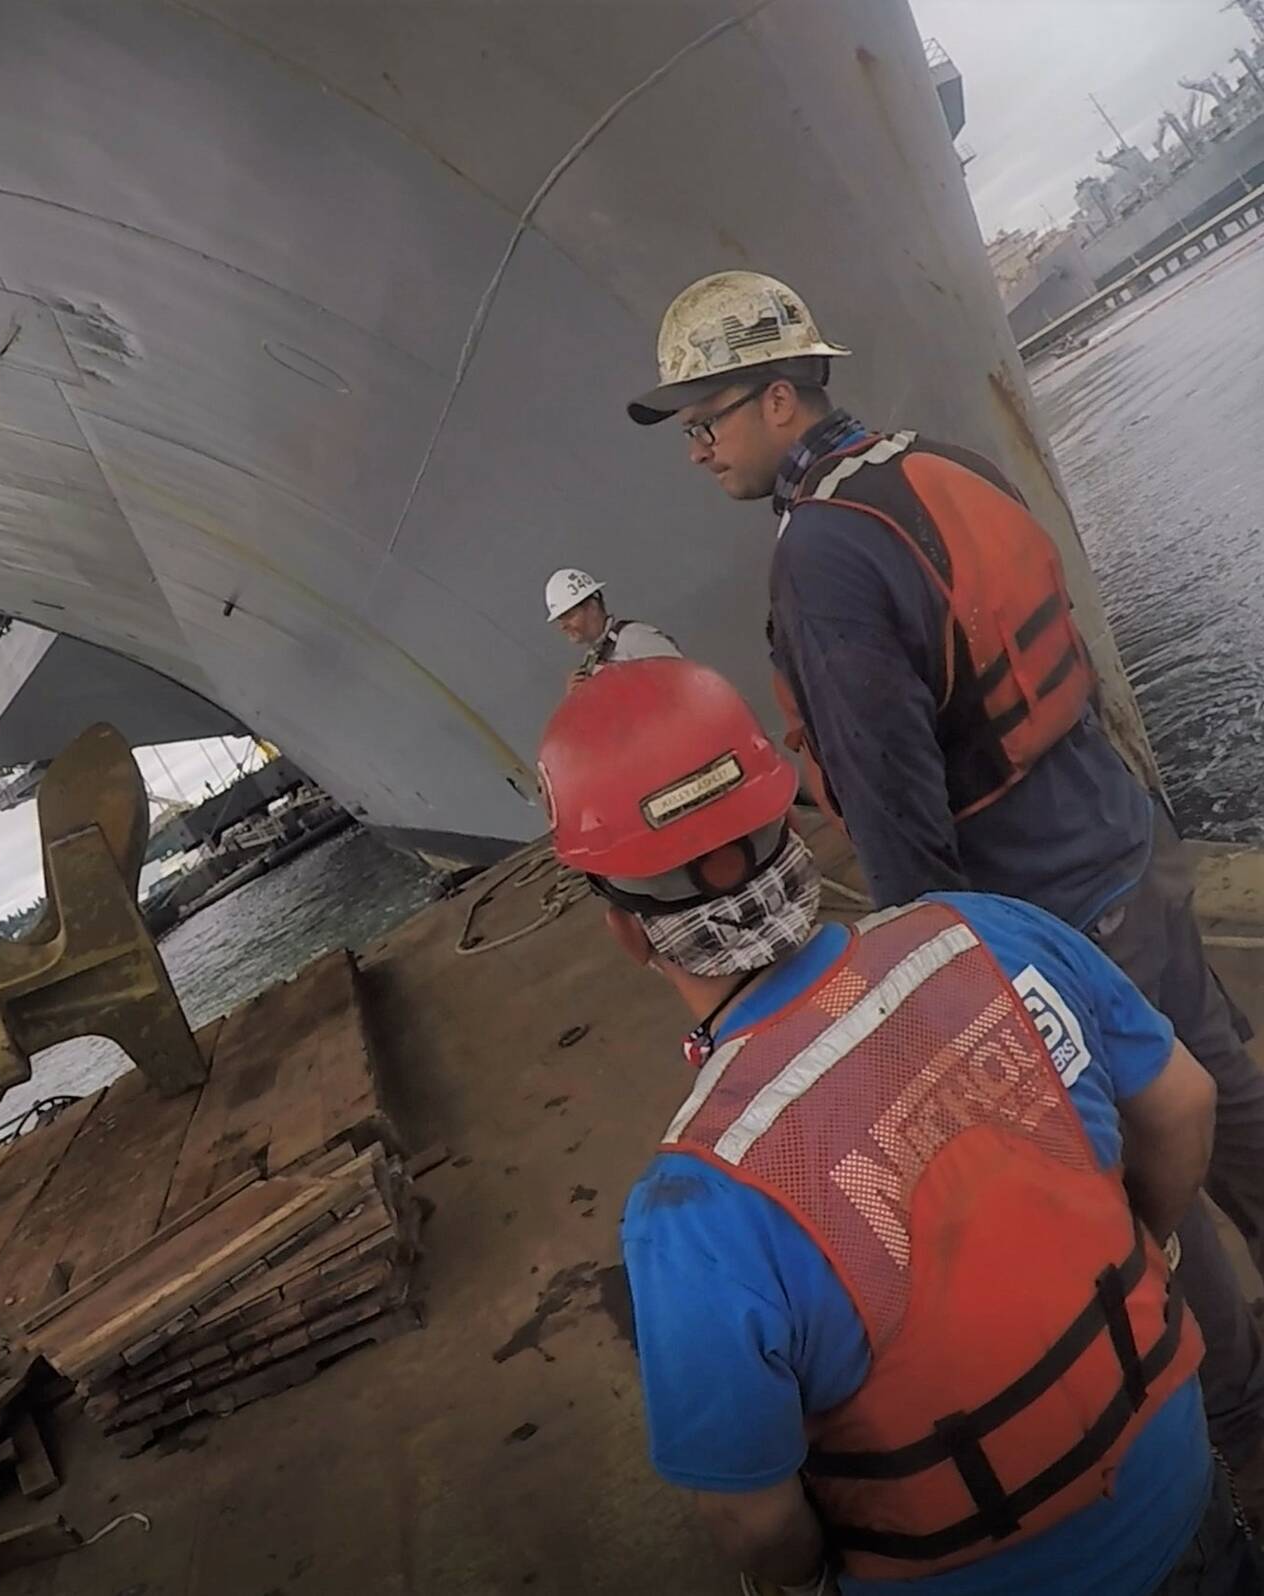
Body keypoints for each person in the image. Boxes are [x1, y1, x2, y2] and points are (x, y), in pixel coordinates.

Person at [626, 267, 1264, 1494]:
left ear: (775, 399)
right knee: (1223, 1097)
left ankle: (1234, 1414)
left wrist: (922, 985)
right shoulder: (942, 463)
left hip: (1048, 916)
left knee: (1152, 1189)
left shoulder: (819, 557)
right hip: (1122, 842)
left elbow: (891, 796)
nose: (694, 445)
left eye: (704, 416)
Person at [536, 657, 1256, 1596]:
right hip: (1183, 1497)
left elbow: (753, 1521)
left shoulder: (695, 1204)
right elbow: (1184, 1103)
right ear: (790, 830)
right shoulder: (989, 932)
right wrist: (1142, 1245)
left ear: (627, 933)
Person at [543, 567, 680, 682]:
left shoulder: (634, 638)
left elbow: (681, 677)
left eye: (569, 616)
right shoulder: (590, 662)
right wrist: (578, 698)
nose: (563, 626)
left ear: (592, 607)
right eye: (560, 619)